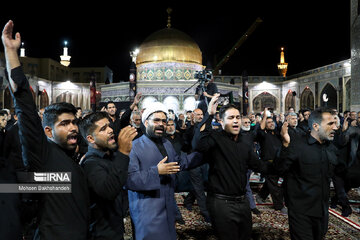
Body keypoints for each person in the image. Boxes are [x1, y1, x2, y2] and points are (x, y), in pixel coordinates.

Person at [2, 20, 89, 239]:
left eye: (74, 122)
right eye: (64, 123)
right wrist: (11, 52)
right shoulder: (44, 154)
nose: (73, 128)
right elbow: (25, 106)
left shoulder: (71, 158)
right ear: (48, 132)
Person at [194, 94, 274, 240]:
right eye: (231, 118)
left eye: (237, 117)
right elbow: (198, 144)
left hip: (242, 202)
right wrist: (209, 115)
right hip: (221, 203)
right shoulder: (215, 138)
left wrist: (285, 162)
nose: (236, 121)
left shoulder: (245, 140)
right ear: (221, 121)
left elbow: (258, 165)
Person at [126, 102, 203, 240]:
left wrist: (203, 155)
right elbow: (130, 180)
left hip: (167, 206)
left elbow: (178, 163)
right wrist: (156, 172)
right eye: (156, 120)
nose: (161, 124)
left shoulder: (166, 143)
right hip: (147, 211)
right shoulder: (134, 146)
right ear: (146, 122)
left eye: (163, 120)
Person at [277, 107, 341, 240]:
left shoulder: (331, 148)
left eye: (335, 123)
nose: (335, 127)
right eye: (330, 124)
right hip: (301, 211)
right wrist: (285, 145)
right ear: (316, 126)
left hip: (322, 209)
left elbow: (339, 172)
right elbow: (278, 169)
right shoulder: (297, 145)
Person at [79, 112, 137, 239]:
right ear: (91, 138)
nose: (111, 130)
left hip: (114, 227)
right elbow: (109, 191)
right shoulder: (90, 164)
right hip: (101, 234)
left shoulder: (109, 155)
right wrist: (123, 152)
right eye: (103, 129)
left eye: (109, 126)